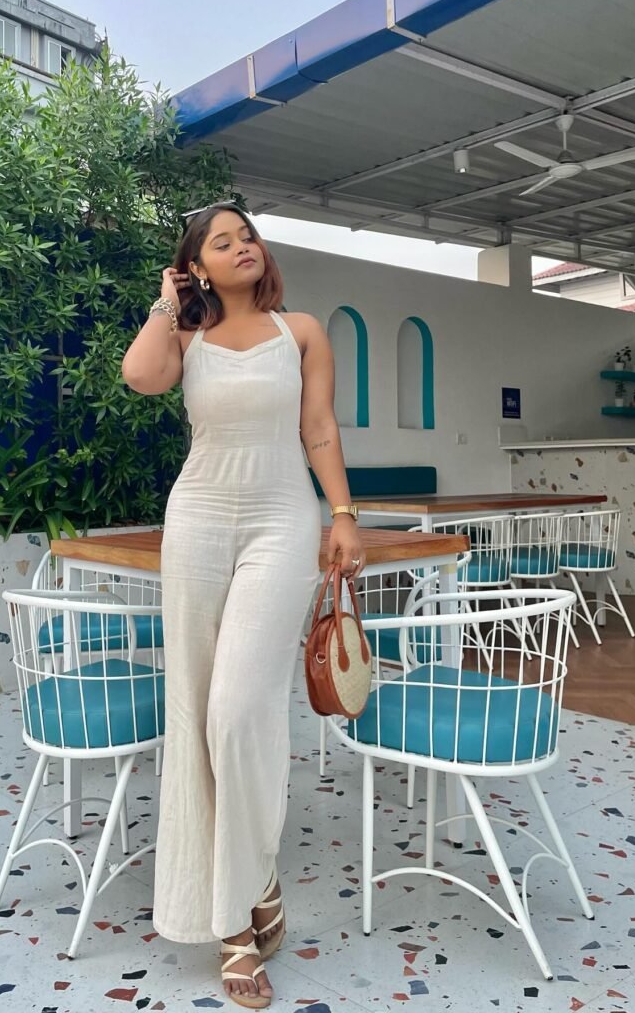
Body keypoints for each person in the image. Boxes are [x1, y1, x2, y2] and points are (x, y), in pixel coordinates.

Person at [122, 201, 365, 1009]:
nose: (243, 247)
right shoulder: (185, 338)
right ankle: (239, 913)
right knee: (196, 707)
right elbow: (139, 376)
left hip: (280, 521)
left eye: (247, 235)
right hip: (196, 520)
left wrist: (341, 514)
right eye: (222, 242)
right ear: (198, 266)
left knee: (235, 710)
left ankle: (244, 888)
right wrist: (166, 299)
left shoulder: (300, 331)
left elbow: (319, 427)